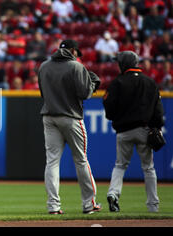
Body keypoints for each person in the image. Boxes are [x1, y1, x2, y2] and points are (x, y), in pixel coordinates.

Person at [38, 39, 101, 214]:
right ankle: (89, 204)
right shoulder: (76, 67)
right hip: (70, 117)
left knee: (52, 162)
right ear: (73, 51)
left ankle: (53, 206)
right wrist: (93, 84)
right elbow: (85, 94)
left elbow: (42, 92)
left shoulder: (44, 66)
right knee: (81, 160)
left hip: (49, 116)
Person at [103, 51, 165, 213]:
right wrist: (157, 126)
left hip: (124, 132)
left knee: (120, 165)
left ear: (124, 64)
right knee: (148, 168)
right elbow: (158, 112)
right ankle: (153, 206)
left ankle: (113, 194)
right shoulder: (150, 82)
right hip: (144, 130)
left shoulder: (117, 83)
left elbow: (109, 111)